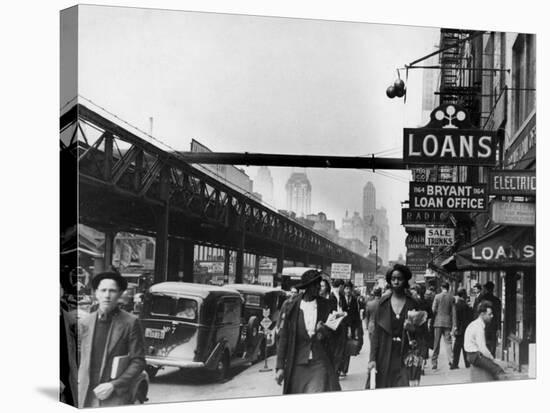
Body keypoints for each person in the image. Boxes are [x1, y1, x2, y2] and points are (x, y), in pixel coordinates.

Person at [78, 272, 146, 407]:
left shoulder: (130, 323)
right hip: (85, 396)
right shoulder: (85, 323)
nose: (107, 295)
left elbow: (138, 361)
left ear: (120, 294)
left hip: (115, 397)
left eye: (112, 291)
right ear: (96, 293)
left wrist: (113, 385)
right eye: (103, 290)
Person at [275, 270, 341, 394]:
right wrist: (280, 367)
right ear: (307, 287)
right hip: (297, 363)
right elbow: (284, 337)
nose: (319, 287)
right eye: (315, 285)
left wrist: (325, 331)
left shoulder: (326, 305)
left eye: (319, 284)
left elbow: (335, 334)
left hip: (319, 362)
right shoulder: (292, 306)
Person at [367, 264, 420, 388]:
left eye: (399, 278)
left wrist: (413, 329)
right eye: (393, 279)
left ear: (405, 280)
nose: (396, 282)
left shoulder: (413, 303)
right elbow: (376, 335)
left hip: (405, 356)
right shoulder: (382, 304)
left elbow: (422, 334)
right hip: (384, 355)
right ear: (390, 281)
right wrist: (372, 359)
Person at [464, 301, 507, 380]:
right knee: (498, 370)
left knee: (493, 368)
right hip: (475, 356)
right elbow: (482, 348)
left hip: (472, 355)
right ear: (482, 314)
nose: (492, 316)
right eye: (489, 314)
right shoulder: (478, 327)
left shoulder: (476, 324)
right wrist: (492, 359)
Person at [338, 281, 362, 377]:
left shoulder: (355, 300)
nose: (348, 291)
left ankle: (344, 369)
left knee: (348, 348)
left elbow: (356, 315)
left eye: (349, 289)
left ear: (352, 290)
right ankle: (339, 368)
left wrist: (355, 329)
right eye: (346, 288)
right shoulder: (340, 299)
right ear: (344, 289)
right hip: (341, 326)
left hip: (351, 327)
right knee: (340, 348)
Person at [431, 281, 456, 370]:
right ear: (448, 288)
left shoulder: (437, 297)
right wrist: (454, 324)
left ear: (441, 287)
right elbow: (453, 312)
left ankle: (434, 363)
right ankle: (451, 361)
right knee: (448, 343)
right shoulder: (451, 297)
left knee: (436, 343)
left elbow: (433, 309)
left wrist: (438, 313)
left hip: (438, 322)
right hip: (448, 323)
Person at [450, 288, 473, 369]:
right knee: (463, 346)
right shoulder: (465, 305)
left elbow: (455, 317)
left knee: (457, 347)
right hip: (464, 328)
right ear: (463, 295)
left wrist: (455, 327)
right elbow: (470, 317)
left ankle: (455, 364)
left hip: (459, 328)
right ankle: (466, 363)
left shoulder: (457, 304)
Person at [478, 281, 502, 357]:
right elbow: (498, 315)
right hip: (494, 325)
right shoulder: (497, 300)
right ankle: (492, 358)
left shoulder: (482, 299)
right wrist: (499, 328)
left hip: (484, 324)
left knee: (484, 342)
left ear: (486, 289)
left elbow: (478, 312)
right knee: (493, 343)